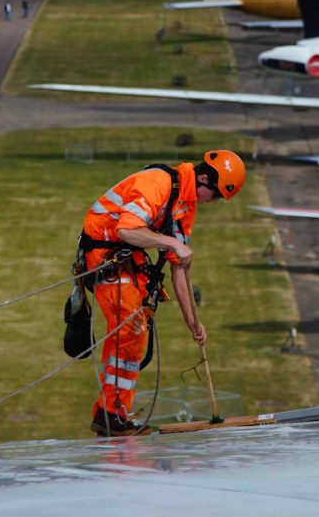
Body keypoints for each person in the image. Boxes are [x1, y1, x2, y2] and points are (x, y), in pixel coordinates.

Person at [78, 149, 246, 437]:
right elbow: (127, 231)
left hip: (126, 258)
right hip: (106, 254)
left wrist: (193, 321)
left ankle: (113, 413)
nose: (213, 201)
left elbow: (178, 266)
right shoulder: (158, 183)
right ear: (204, 178)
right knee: (130, 327)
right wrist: (171, 242)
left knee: (135, 330)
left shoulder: (184, 205)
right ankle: (111, 414)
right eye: (215, 195)